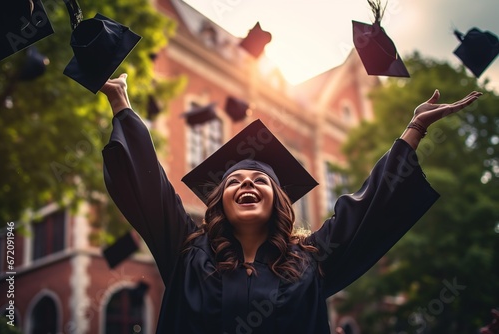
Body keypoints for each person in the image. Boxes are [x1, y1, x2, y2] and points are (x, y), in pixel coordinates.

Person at [100, 73, 482, 334]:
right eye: (234, 181)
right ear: (219, 202)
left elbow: (368, 208)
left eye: (259, 180)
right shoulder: (185, 250)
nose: (246, 184)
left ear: (279, 199)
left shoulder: (312, 260)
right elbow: (151, 190)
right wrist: (120, 102)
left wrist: (414, 129)